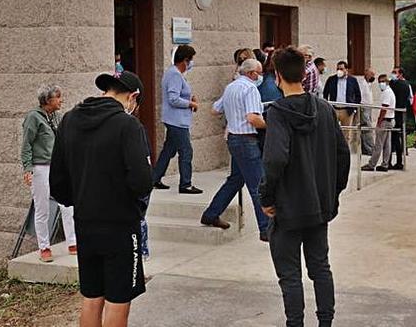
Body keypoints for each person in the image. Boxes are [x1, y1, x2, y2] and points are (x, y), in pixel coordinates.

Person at [50, 71, 153, 327]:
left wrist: (83, 198)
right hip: (120, 225)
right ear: (133, 97)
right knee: (118, 299)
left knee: (92, 296)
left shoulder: (70, 120)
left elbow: (58, 183)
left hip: (85, 222)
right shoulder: (128, 126)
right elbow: (142, 180)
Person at [259, 46, 351, 327]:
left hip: (288, 207)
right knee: (320, 267)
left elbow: (275, 158)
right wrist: (332, 192)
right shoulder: (324, 109)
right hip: (318, 206)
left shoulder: (278, 112)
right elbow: (343, 154)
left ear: (277, 76)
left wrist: (266, 197)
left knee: (290, 274)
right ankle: (326, 322)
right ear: (304, 73)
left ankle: (295, 323)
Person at [202, 59, 271, 241]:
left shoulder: (231, 87)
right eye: (259, 72)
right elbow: (253, 118)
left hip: (233, 137)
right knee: (257, 185)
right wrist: (272, 126)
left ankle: (211, 213)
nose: (261, 76)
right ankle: (266, 228)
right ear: (251, 73)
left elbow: (215, 110)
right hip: (247, 139)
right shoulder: (250, 89)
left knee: (235, 180)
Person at [21, 84, 76, 263]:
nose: (61, 100)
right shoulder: (34, 118)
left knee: (67, 205)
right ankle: (44, 247)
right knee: (42, 207)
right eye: (58, 97)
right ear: (48, 100)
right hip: (40, 167)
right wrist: (27, 168)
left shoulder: (56, 117)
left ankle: (72, 242)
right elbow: (27, 144)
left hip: (57, 166)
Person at [152, 44, 202, 194]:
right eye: (190, 60)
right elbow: (173, 98)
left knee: (169, 150)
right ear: (185, 60)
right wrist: (190, 103)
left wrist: (189, 97)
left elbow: (179, 93)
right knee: (186, 151)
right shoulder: (174, 74)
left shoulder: (176, 74)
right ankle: (185, 184)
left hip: (176, 119)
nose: (191, 63)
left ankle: (154, 178)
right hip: (176, 121)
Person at [322, 61, 362, 152]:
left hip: (347, 111)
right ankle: (332, 152)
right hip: (334, 109)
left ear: (346, 70)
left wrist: (354, 108)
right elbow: (325, 93)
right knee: (332, 132)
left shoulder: (352, 80)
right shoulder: (331, 79)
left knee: (346, 135)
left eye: (341, 69)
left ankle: (344, 153)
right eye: (338, 68)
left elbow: (358, 95)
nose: (339, 71)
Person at [361, 74, 396, 172]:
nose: (381, 84)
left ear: (387, 82)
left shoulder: (387, 93)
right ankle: (385, 164)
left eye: (382, 82)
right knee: (387, 144)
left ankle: (372, 164)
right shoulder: (389, 92)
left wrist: (379, 122)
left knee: (378, 144)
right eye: (379, 82)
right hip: (390, 120)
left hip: (385, 120)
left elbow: (384, 108)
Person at [389, 67, 413, 170]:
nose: (393, 74)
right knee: (399, 138)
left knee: (391, 139)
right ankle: (399, 161)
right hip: (402, 113)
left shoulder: (393, 85)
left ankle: (388, 162)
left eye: (395, 72)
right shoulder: (407, 85)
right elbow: (410, 100)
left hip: (393, 113)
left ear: (401, 74)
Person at [357, 68, 377, 156]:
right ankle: (370, 149)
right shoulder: (362, 83)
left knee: (367, 128)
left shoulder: (368, 84)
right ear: (367, 74)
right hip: (364, 107)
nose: (373, 77)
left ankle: (366, 149)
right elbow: (360, 96)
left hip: (368, 107)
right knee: (367, 127)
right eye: (372, 74)